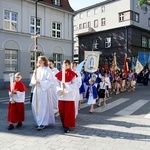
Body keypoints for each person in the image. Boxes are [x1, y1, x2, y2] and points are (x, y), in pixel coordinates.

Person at [30, 56, 55, 130]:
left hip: (44, 90)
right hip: (37, 90)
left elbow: (49, 81)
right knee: (36, 106)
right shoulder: (37, 70)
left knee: (43, 106)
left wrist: (40, 82)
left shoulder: (48, 70)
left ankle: (43, 122)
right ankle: (38, 121)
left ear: (44, 61)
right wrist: (35, 81)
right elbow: (32, 80)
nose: (39, 62)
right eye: (38, 60)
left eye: (41, 60)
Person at [55, 59, 78, 133]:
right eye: (64, 65)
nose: (65, 66)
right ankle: (63, 123)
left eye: (67, 65)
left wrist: (66, 87)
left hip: (69, 95)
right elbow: (56, 84)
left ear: (69, 65)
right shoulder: (59, 74)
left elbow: (74, 84)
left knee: (68, 111)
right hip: (61, 94)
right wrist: (60, 89)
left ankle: (67, 125)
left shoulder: (73, 74)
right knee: (61, 110)